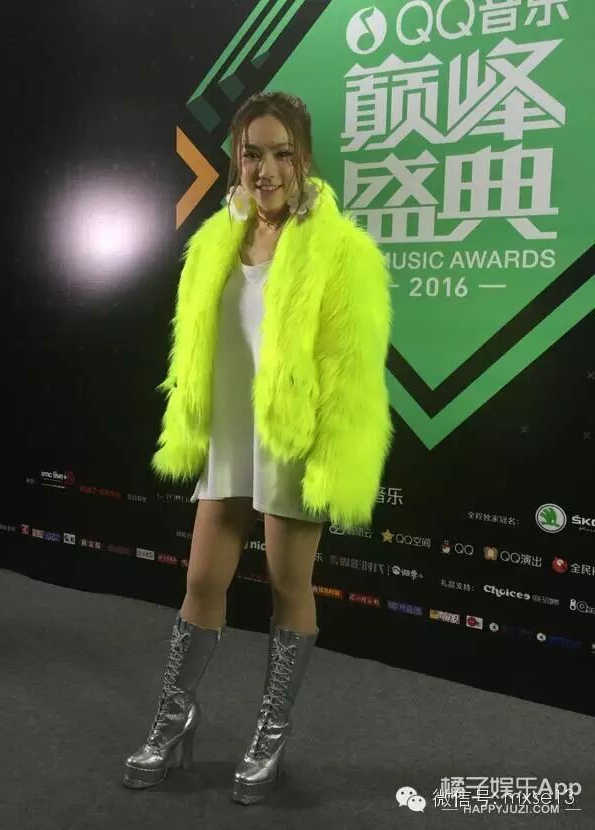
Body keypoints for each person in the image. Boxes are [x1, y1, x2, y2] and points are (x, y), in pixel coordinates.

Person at [123, 91, 394, 804]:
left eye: (281, 153)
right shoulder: (215, 242)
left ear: (303, 159)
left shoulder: (343, 252)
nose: (265, 169)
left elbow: (354, 375)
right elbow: (196, 350)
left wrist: (330, 460)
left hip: (293, 444)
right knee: (201, 584)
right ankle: (174, 721)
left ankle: (270, 735)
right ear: (235, 161)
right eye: (252, 154)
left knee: (287, 588)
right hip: (228, 437)